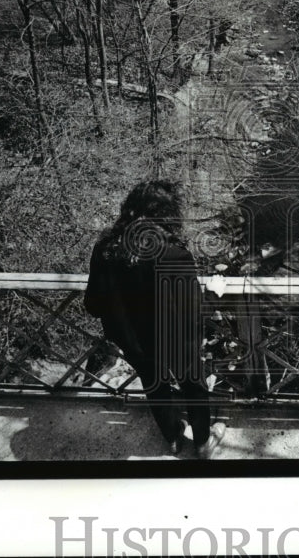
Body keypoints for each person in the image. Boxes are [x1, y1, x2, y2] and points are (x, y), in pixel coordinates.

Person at [85, 180, 226, 458]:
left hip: (133, 342)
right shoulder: (173, 254)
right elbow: (192, 311)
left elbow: (93, 303)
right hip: (175, 340)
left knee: (155, 384)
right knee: (193, 386)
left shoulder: (105, 248)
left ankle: (172, 436)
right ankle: (202, 443)